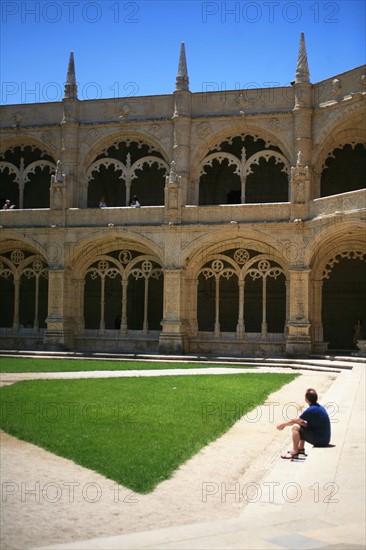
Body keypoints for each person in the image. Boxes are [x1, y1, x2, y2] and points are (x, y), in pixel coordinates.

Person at [277, 388, 331, 460]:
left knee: (295, 427)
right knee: (301, 424)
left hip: (320, 441)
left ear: (306, 399)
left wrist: (283, 424)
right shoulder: (319, 407)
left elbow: (296, 420)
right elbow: (304, 423)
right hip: (325, 439)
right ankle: (301, 449)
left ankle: (295, 451)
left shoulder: (311, 410)